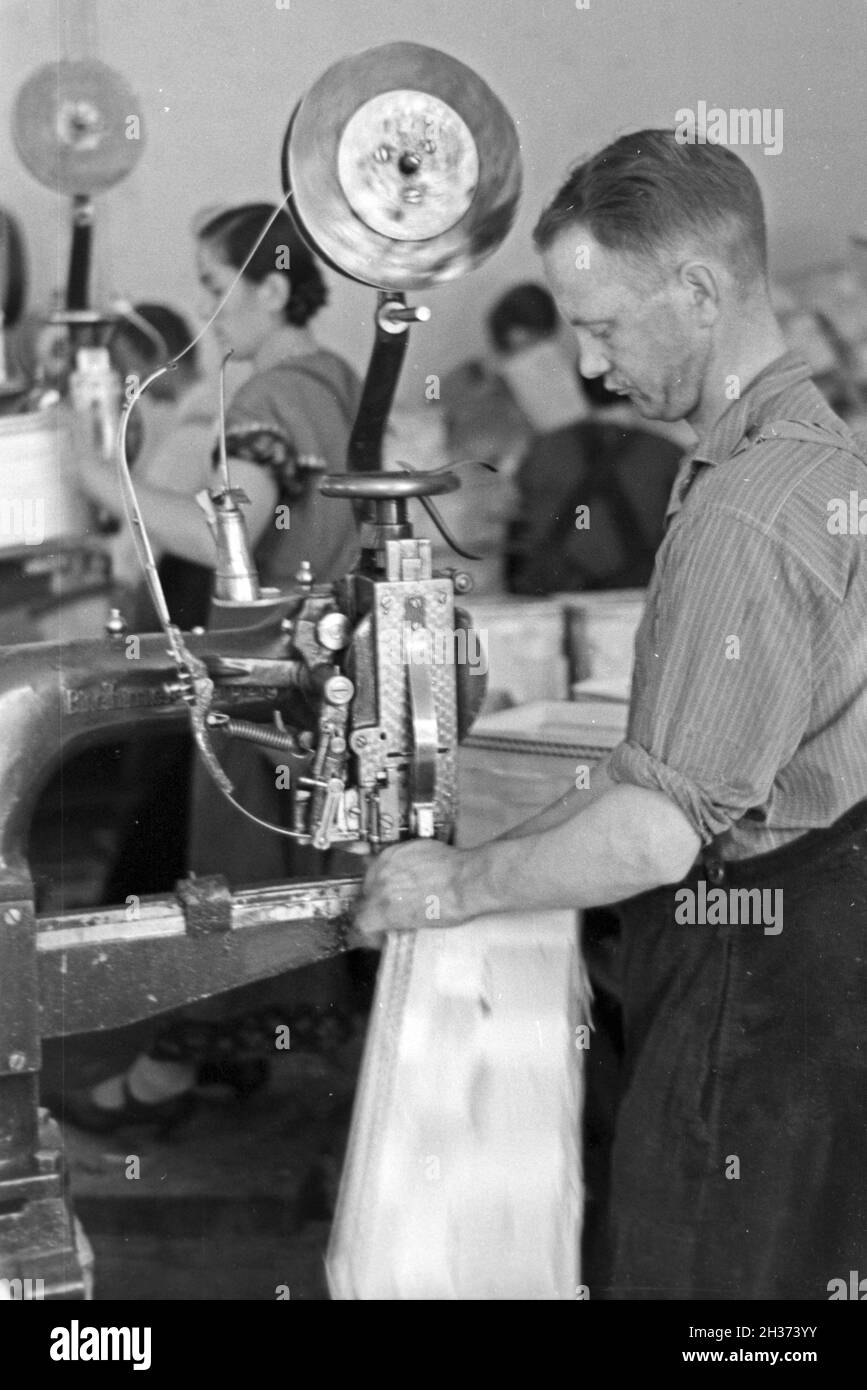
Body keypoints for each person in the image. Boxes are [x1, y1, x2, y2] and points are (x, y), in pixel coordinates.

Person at [353, 130, 867, 1301]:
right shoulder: (814, 458)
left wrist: (452, 881)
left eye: (603, 327)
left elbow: (656, 832)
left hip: (762, 978)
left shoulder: (745, 512)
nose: (585, 367)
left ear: (697, 290)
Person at [63, 204, 363, 1131]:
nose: (207, 309)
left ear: (270, 289)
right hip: (318, 660)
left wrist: (98, 475)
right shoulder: (336, 377)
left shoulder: (273, 398)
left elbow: (223, 532)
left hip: (263, 666)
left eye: (213, 284)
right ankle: (216, 1063)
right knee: (272, 882)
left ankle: (166, 1079)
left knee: (227, 882)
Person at [487, 282, 683, 594]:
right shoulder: (669, 453)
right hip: (639, 603)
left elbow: (515, 523)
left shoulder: (541, 452)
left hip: (557, 598)